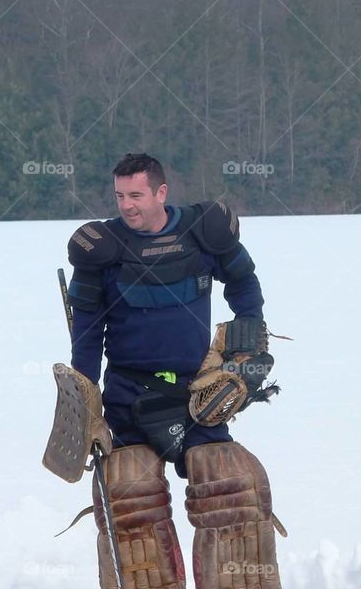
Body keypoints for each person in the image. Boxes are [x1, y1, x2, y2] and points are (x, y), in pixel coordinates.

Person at [66, 153, 282, 589]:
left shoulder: (203, 233)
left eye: (136, 195)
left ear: (161, 192)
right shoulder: (102, 250)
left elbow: (244, 285)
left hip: (198, 393)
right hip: (129, 393)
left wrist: (243, 352)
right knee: (132, 500)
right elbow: (87, 330)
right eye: (120, 195)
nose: (126, 205)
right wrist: (86, 400)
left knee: (228, 487)